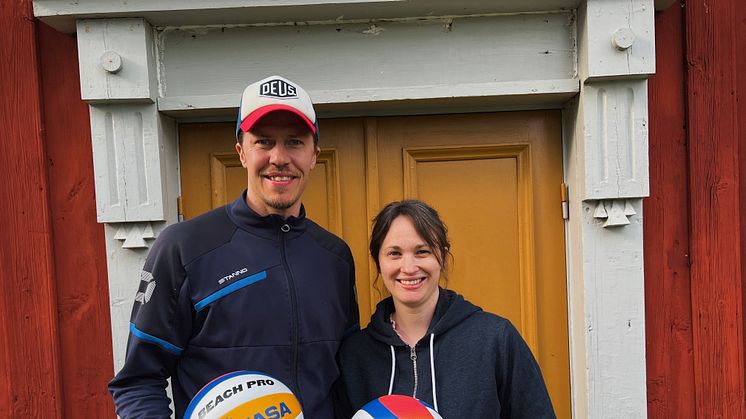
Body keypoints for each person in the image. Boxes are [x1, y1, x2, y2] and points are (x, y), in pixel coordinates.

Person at [109, 75, 359, 418]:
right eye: (264, 142)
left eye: (295, 142)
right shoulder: (183, 248)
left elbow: (346, 375)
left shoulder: (335, 258)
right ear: (241, 152)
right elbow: (138, 381)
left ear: (314, 155)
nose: (279, 157)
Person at [336, 200, 555, 418]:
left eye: (422, 251)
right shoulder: (355, 355)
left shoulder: (495, 340)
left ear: (442, 255)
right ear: (378, 261)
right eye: (394, 253)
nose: (409, 267)